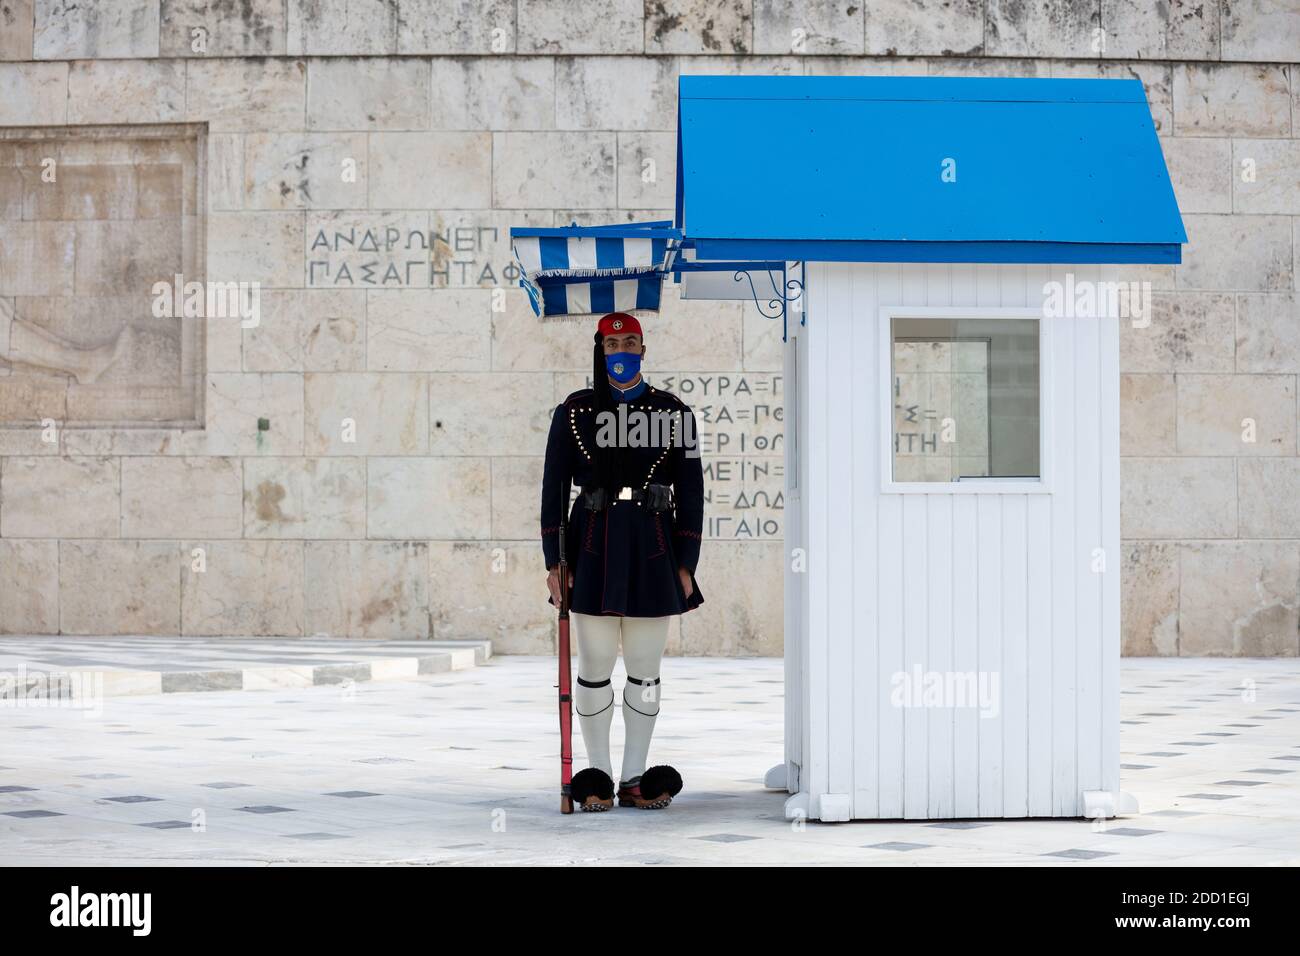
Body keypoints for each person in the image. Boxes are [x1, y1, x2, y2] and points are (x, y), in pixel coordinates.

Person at [540, 311, 705, 811]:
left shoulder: (676, 415)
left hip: (653, 546)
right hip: (592, 546)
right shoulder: (573, 412)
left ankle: (635, 776)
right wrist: (555, 560)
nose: (622, 353)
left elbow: (692, 493)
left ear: (643, 350)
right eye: (613, 347)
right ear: (600, 351)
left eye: (631, 343)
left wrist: (686, 560)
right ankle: (597, 775)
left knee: (645, 668)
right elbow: (552, 491)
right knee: (592, 665)